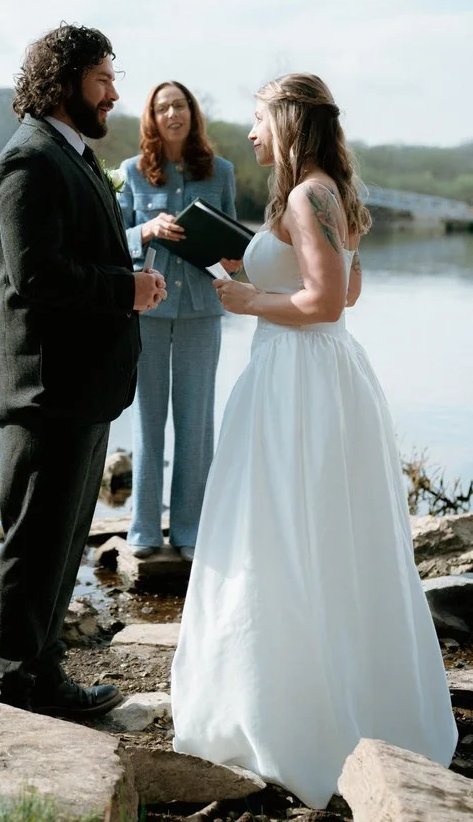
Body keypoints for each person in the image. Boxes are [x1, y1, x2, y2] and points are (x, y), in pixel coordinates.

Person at [171, 73, 456, 808]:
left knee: (280, 532)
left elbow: (325, 301)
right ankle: (345, 697)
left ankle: (293, 718)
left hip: (295, 380)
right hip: (323, 375)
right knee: (327, 534)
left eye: (260, 119)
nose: (254, 132)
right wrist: (258, 271)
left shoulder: (307, 195)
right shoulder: (328, 192)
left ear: (289, 122)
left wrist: (243, 298)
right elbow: (346, 291)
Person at [0, 24, 166, 717]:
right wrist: (126, 289)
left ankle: (40, 676)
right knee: (34, 545)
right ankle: (5, 683)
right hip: (43, 388)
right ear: (64, 82)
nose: (115, 92)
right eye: (103, 78)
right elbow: (35, 276)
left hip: (78, 388)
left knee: (60, 543)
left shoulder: (70, 153)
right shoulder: (29, 160)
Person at [117, 82, 238, 560]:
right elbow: (115, 242)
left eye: (181, 105)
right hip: (147, 310)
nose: (173, 113)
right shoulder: (131, 172)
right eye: (163, 106)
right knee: (148, 419)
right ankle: (144, 528)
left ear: (193, 113)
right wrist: (148, 228)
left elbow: (233, 251)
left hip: (202, 311)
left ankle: (189, 528)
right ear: (152, 116)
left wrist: (232, 260)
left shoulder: (221, 172)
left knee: (196, 420)